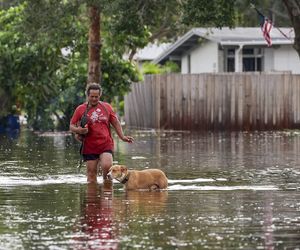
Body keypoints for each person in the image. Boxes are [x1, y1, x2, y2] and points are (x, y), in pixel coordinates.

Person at [70, 83, 134, 183]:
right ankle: (93, 197)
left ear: (100, 96)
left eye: (97, 96)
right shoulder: (80, 109)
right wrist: (80, 131)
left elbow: (116, 123)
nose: (94, 99)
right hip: (89, 146)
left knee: (107, 168)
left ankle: (107, 196)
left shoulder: (106, 107)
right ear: (87, 95)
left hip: (105, 144)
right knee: (91, 174)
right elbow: (72, 125)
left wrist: (122, 137)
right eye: (92, 96)